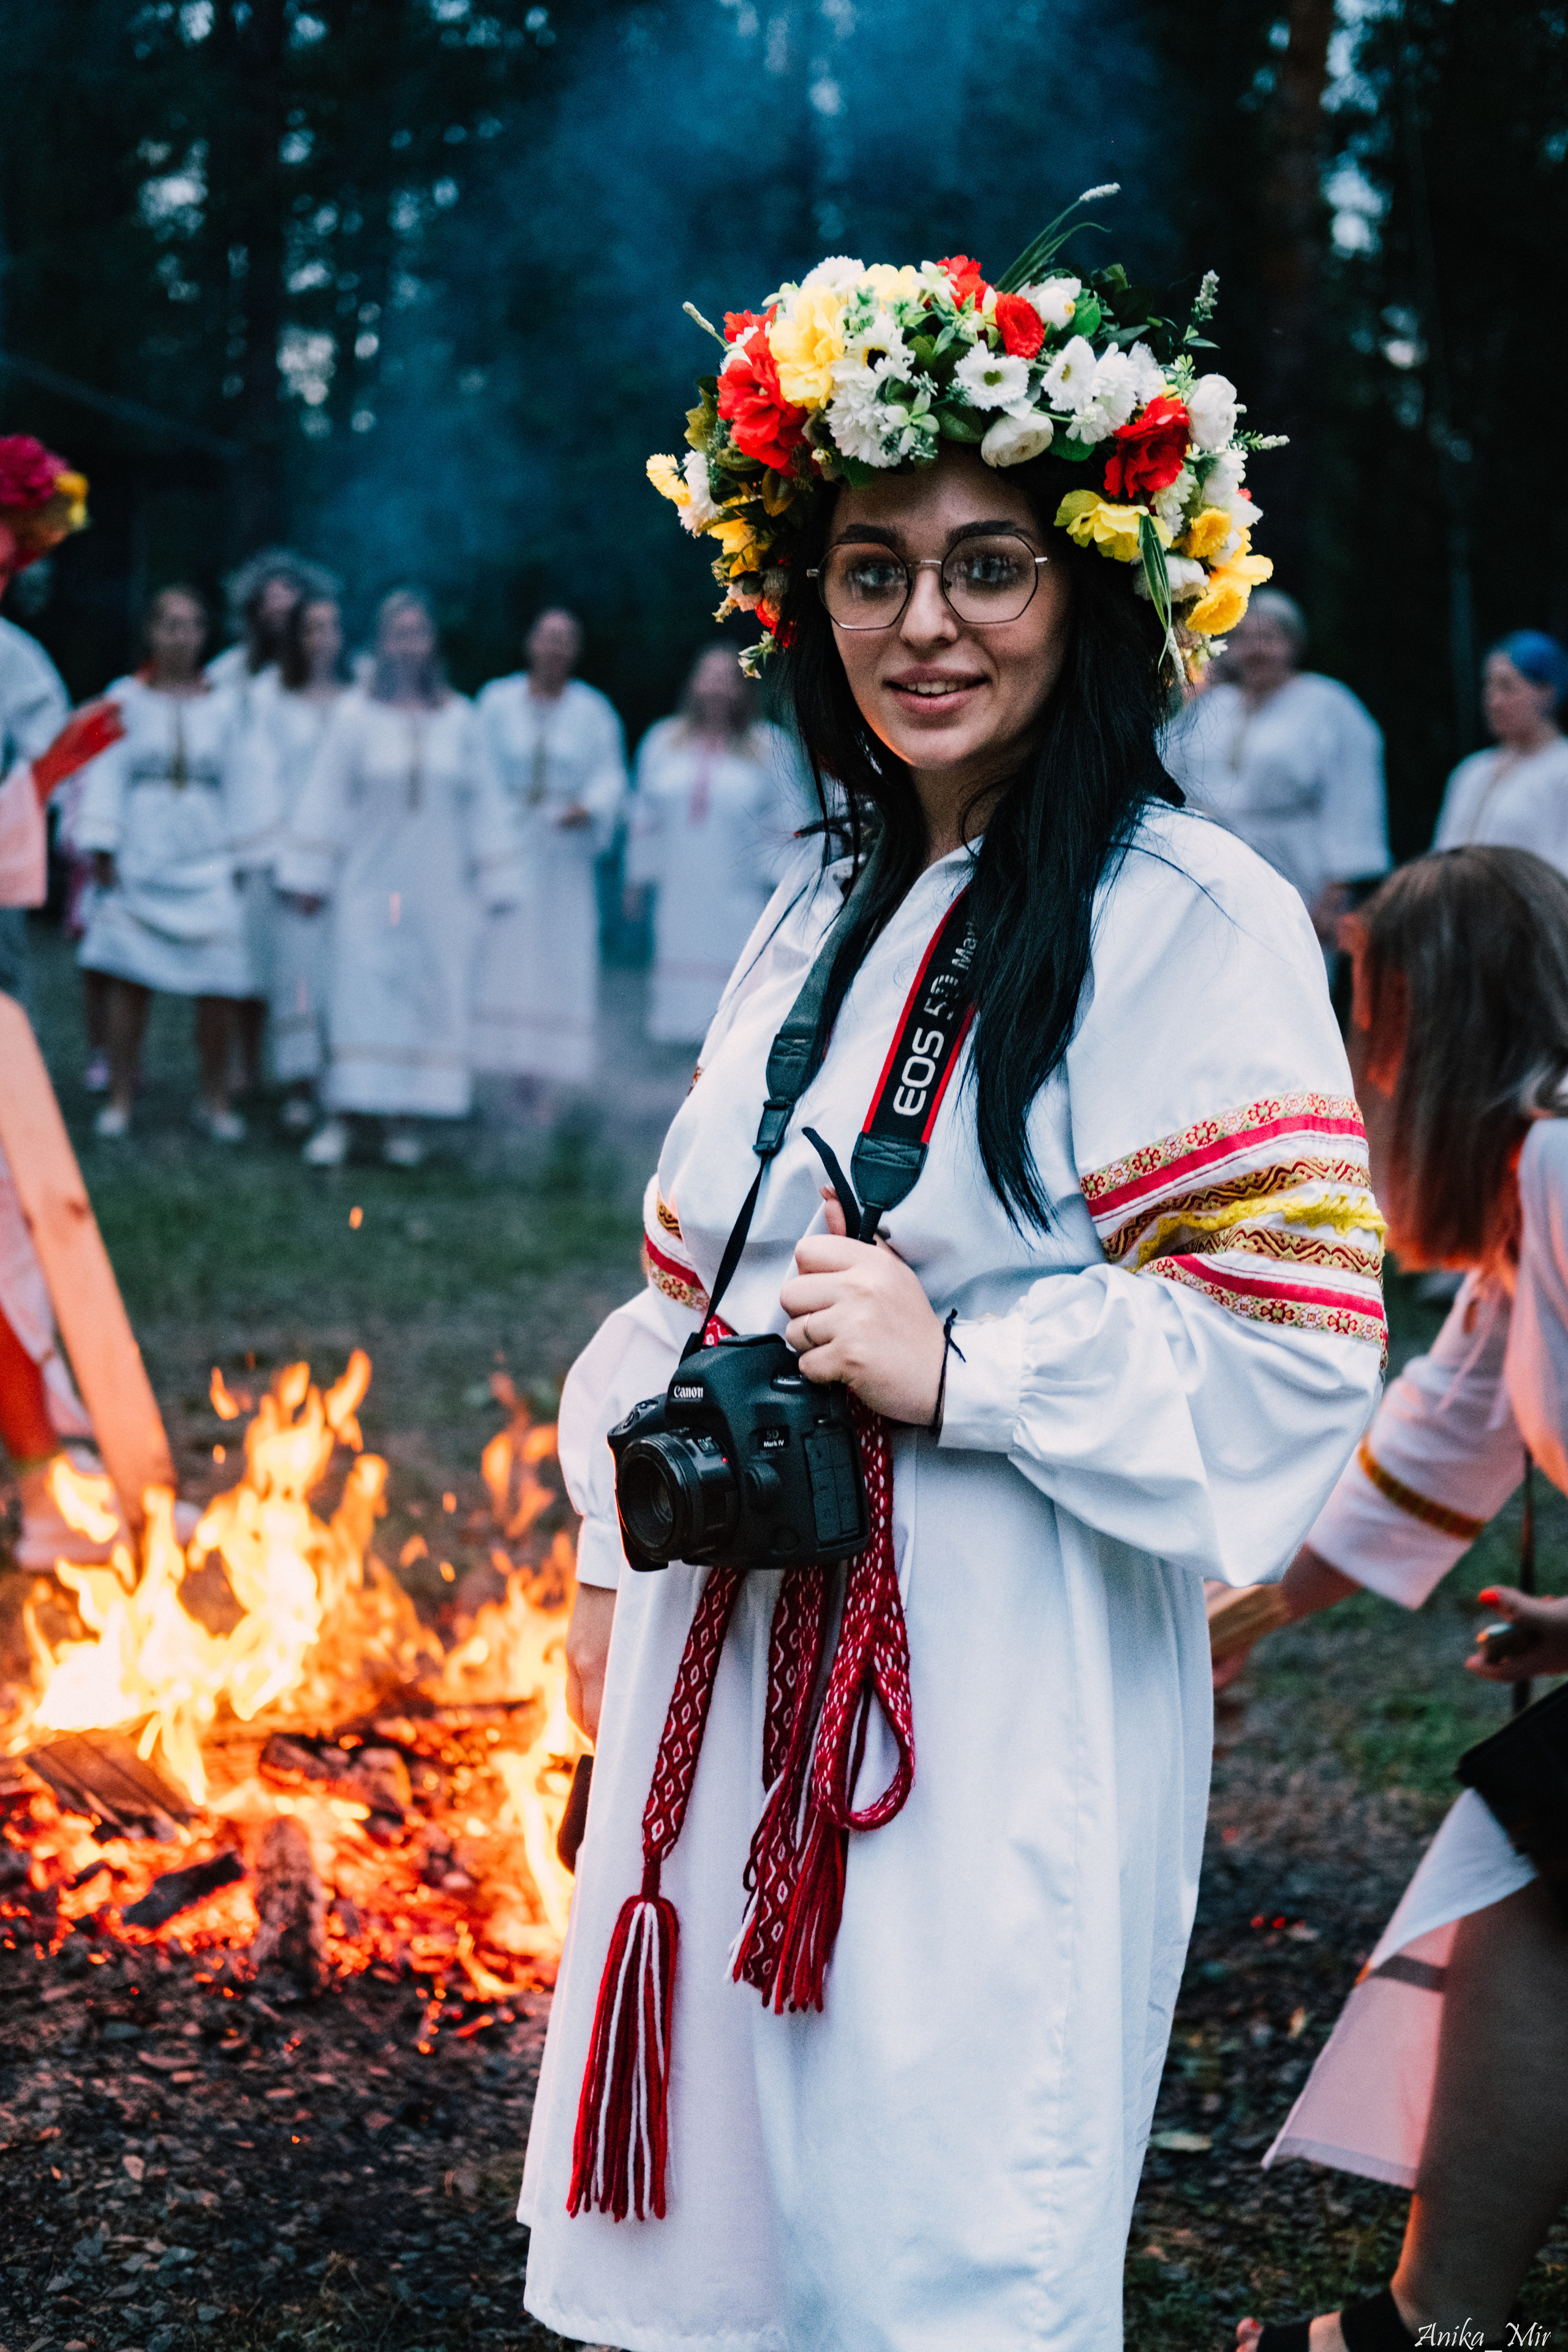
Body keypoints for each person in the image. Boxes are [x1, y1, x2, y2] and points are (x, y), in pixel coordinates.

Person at [516, 228, 1385, 2352]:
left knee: (935, 2217)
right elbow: (682, 1280)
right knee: (728, 2229)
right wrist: (602, 1575)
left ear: (1092, 586)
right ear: (801, 599)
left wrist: (965, 1367)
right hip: (723, 1644)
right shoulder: (820, 886)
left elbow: (1293, 1353)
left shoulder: (1193, 911)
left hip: (977, 1684)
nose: (927, 622)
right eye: (872, 567)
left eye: (990, 563)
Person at [1219, 848, 1568, 2352]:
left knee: (1525, 1876)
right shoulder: (1532, 1175)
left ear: (1433, 1021)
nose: (1358, 1068)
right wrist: (1227, 1621)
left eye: (1370, 1024)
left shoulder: (1560, 1164)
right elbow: (1443, 1425)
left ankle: (1430, 2328)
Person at [274, 587, 519, 1169]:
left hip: (438, 890)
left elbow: (484, 804)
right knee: (358, 994)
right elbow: (326, 797)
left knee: (423, 999)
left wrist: (497, 881)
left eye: (418, 633)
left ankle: (402, 1123)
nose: (408, 645)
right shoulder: (355, 717)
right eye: (397, 634)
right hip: (366, 885)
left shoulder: (460, 719)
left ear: (432, 643)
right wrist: (308, 873)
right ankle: (340, 1119)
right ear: (381, 643)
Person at [74, 584, 263, 1142]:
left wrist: (244, 853)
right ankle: (121, 1098)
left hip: (206, 858)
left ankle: (215, 1099)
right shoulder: (125, 700)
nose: (181, 637)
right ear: (152, 632)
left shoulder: (226, 706)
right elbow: (105, 772)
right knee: (131, 980)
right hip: (144, 854)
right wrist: (103, 844)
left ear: (205, 635)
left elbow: (245, 781)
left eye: (192, 625)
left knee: (221, 984)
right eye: (170, 625)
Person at [1162, 589, 1390, 954]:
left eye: (1268, 638)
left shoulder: (1328, 704)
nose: (1255, 650)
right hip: (1213, 868)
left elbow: (1353, 797)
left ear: (1293, 645)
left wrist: (1335, 894)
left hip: (1296, 867)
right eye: (1244, 639)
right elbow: (1167, 767)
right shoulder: (1213, 705)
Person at [470, 607, 627, 1101]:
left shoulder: (593, 710)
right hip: (508, 846)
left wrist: (589, 806)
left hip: (564, 856)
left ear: (576, 650)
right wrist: (490, 828)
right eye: (548, 637)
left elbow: (612, 777)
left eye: (566, 640)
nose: (555, 649)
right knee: (505, 956)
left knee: (558, 957)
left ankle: (545, 1074)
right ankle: (498, 1066)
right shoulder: (496, 701)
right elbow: (476, 770)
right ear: (531, 643)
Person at [625, 646, 815, 1045]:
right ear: (693, 683)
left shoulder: (768, 745)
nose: (716, 687)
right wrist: (636, 880)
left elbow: (789, 821)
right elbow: (645, 817)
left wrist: (784, 891)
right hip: (680, 889)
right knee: (681, 986)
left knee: (736, 995)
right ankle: (682, 1077)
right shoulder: (663, 742)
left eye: (728, 677)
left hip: (739, 894)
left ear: (743, 688)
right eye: (708, 676)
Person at [208, 550, 339, 1096]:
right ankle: (246, 1063)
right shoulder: (232, 678)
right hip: (252, 832)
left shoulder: (346, 682)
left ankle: (321, 1066)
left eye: (293, 609)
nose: (280, 620)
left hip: (326, 842)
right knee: (252, 956)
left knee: (321, 964)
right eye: (270, 608)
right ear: (253, 612)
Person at [262, 592, 352, 1131]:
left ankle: (344, 1081)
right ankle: (300, 1086)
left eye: (332, 627)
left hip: (350, 864)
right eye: (311, 628)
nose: (322, 638)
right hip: (294, 864)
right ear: (297, 638)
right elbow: (264, 786)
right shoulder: (275, 702)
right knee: (297, 978)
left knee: (343, 979)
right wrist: (288, 866)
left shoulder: (360, 701)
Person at [1431, 628, 1568, 872]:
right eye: (1490, 686)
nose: (1494, 701)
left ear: (1547, 692)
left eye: (1507, 687)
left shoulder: (1561, 768)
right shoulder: (1473, 770)